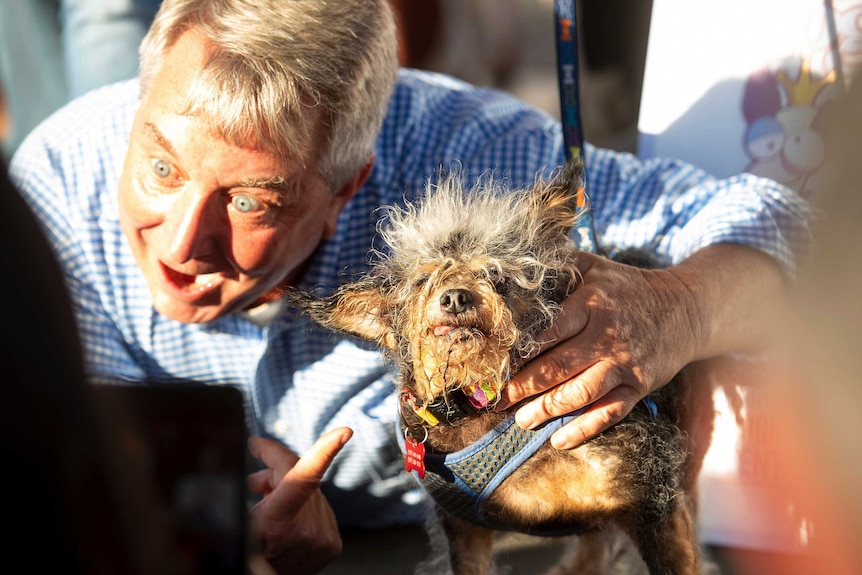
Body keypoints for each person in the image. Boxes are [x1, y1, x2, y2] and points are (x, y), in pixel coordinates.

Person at [8, 0, 812, 571]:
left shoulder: (473, 161)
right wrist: (227, 487)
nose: (182, 239)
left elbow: (785, 225)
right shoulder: (57, 183)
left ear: (348, 187)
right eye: (160, 167)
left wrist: (676, 309)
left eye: (254, 200)